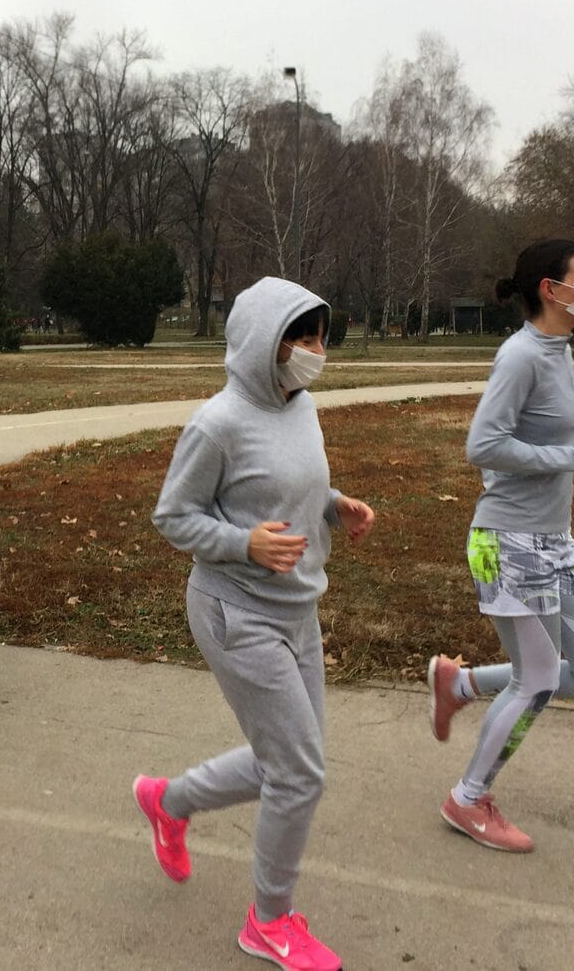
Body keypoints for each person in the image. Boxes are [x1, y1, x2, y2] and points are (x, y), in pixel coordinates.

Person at [138, 277, 375, 971]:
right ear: (259, 343)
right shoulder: (218, 421)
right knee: (299, 770)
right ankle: (268, 920)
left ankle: (168, 800)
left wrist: (333, 506)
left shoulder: (301, 405)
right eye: (296, 337)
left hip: (296, 607)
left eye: (318, 335)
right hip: (233, 610)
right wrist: (245, 544)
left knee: (291, 761)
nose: (311, 350)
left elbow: (291, 485)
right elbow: (172, 515)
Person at [426, 238, 574, 853]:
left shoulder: (559, 349)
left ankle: (460, 685)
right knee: (537, 680)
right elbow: (482, 446)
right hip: (504, 541)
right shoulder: (521, 356)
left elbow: (534, 431)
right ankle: (468, 799)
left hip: (553, 542)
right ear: (550, 288)